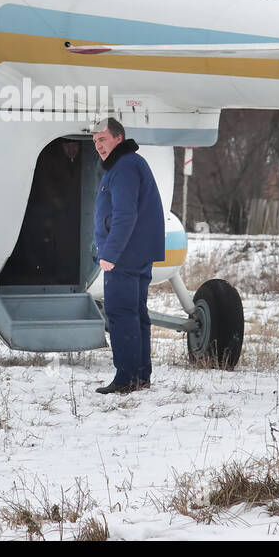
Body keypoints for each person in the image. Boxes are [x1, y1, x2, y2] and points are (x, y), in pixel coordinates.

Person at [91, 118, 165, 394]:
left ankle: (126, 378)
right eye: (95, 141)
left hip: (124, 254)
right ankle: (140, 376)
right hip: (136, 252)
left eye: (103, 139)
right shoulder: (131, 164)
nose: (98, 146)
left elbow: (124, 214)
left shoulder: (124, 167)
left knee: (121, 313)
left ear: (118, 138)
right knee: (135, 313)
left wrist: (110, 253)